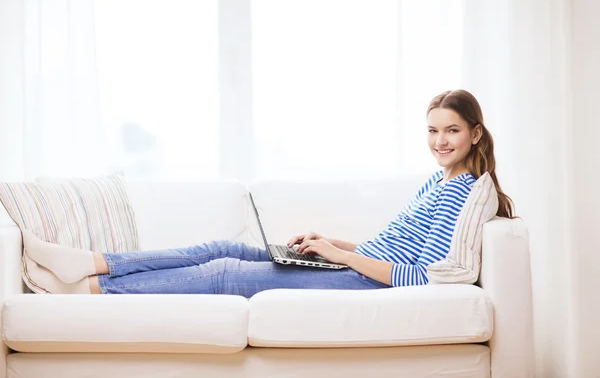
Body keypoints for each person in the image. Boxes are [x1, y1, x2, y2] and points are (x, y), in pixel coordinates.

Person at [24, 89, 515, 296]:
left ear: (474, 132)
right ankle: (92, 263)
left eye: (450, 131)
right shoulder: (438, 180)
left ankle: (86, 289)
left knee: (225, 273)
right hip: (353, 264)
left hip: (363, 283)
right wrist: (334, 244)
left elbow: (419, 276)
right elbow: (390, 245)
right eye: (432, 131)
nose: (439, 142)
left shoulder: (465, 191)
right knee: (218, 247)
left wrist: (341, 260)